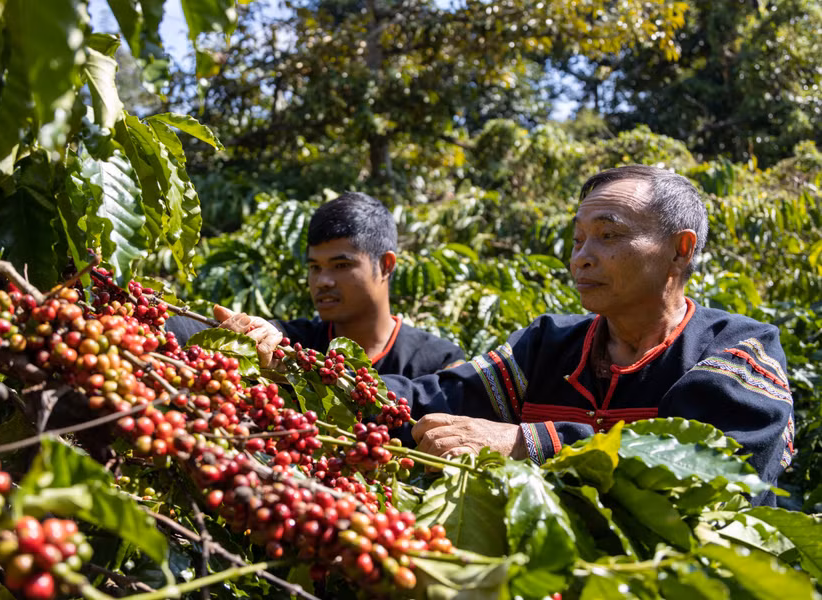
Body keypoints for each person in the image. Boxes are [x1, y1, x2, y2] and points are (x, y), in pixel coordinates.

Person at [226, 166, 794, 507]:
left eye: (607, 235)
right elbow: (433, 399)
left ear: (681, 248)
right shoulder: (548, 346)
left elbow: (699, 467)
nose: (583, 257)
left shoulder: (739, 352)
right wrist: (291, 367)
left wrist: (526, 441)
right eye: (577, 240)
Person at [166, 192, 464, 378]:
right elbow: (182, 330)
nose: (322, 281)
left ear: (385, 265)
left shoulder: (439, 362)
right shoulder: (295, 344)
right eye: (314, 267)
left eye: (341, 265)